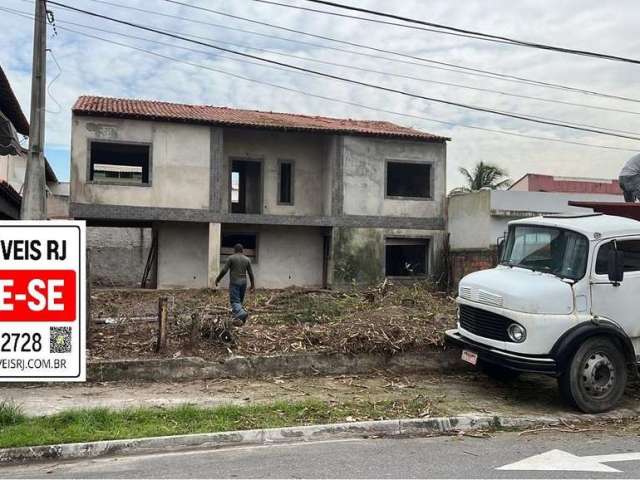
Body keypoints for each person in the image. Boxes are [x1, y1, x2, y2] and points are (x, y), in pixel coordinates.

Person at [215, 243, 255, 325]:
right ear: (242, 250)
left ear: (234, 250)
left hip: (235, 282)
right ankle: (239, 319)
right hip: (244, 282)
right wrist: (252, 285)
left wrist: (218, 279)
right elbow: (251, 273)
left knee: (234, 301)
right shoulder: (247, 259)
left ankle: (242, 314)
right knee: (239, 301)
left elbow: (224, 270)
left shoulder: (231, 258)